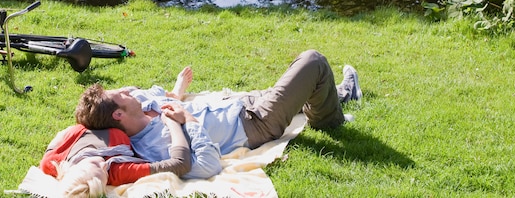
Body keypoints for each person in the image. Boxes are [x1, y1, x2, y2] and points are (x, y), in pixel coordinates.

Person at [75, 50, 361, 180]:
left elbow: (164, 96)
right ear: (118, 116)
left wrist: (178, 89)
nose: (128, 89)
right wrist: (191, 122)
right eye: (120, 94)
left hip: (240, 103)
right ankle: (330, 120)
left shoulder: (142, 102)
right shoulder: (155, 145)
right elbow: (208, 166)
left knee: (302, 87)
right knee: (312, 61)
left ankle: (342, 95)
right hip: (256, 124)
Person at [40, 112, 192, 197]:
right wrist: (173, 124)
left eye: (94, 164)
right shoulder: (116, 171)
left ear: (72, 170)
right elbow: (180, 164)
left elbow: (62, 134)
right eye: (104, 174)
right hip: (130, 120)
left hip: (94, 114)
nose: (103, 163)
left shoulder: (52, 162)